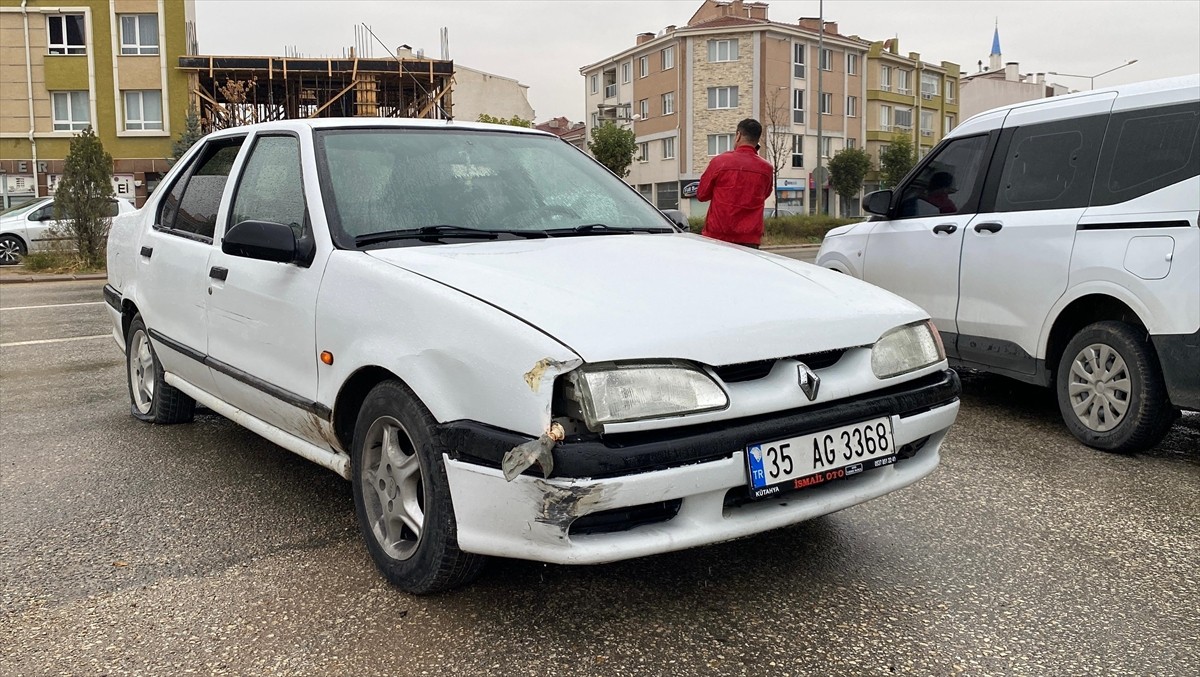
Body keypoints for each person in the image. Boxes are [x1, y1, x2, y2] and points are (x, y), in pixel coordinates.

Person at [697, 118, 774, 248]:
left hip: (718, 237)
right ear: (757, 139)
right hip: (750, 239)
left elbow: (702, 194)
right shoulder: (766, 168)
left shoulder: (720, 162)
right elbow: (764, 194)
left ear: (738, 135)